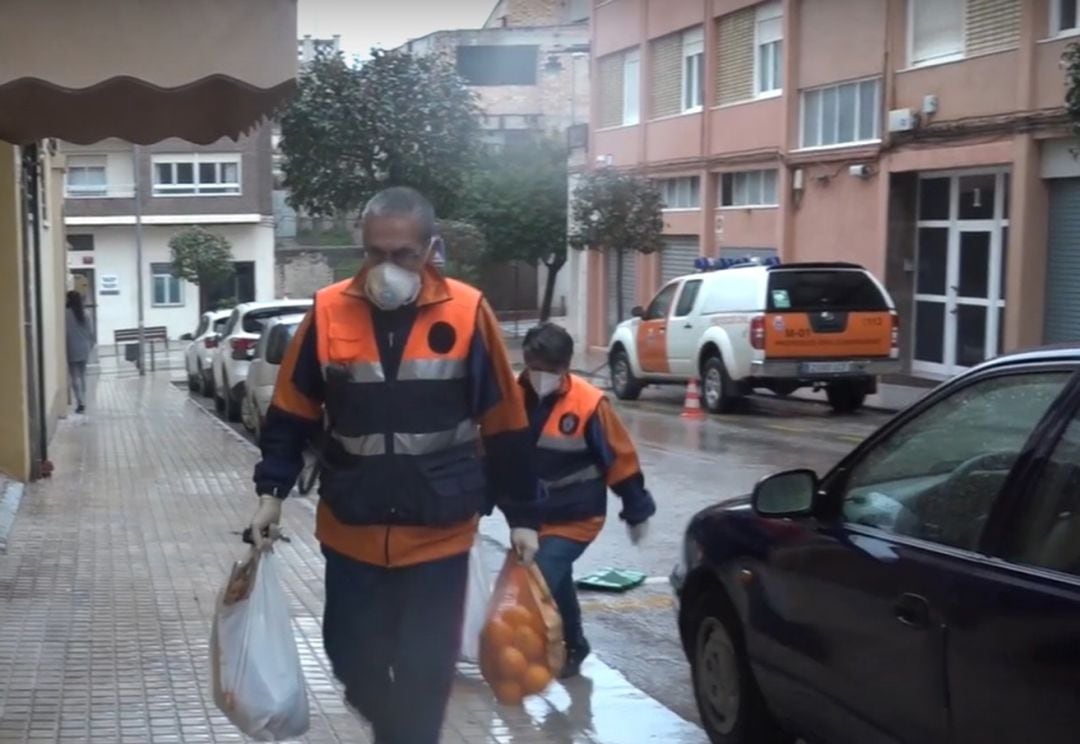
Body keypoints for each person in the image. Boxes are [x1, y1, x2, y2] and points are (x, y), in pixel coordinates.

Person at [249, 186, 539, 744]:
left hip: (439, 532)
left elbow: (505, 420)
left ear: (431, 248)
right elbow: (291, 410)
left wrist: (524, 514)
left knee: (424, 673)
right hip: (352, 527)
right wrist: (271, 492)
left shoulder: (467, 311)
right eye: (374, 253)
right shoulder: (329, 310)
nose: (387, 268)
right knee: (349, 659)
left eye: (403, 254)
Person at [520, 322, 655, 678]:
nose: (540, 377)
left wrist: (636, 508)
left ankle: (519, 659)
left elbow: (620, 458)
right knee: (558, 580)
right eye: (534, 368)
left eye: (549, 370)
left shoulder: (588, 403)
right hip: (533, 518)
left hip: (577, 516)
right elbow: (495, 455)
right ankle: (575, 646)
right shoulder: (514, 396)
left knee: (537, 580)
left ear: (565, 367)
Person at [65, 290, 94, 413]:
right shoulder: (85, 314)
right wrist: (91, 345)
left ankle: (79, 401)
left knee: (74, 376)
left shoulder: (65, 314)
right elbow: (91, 332)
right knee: (82, 375)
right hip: (84, 347)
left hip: (71, 347)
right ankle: (84, 400)